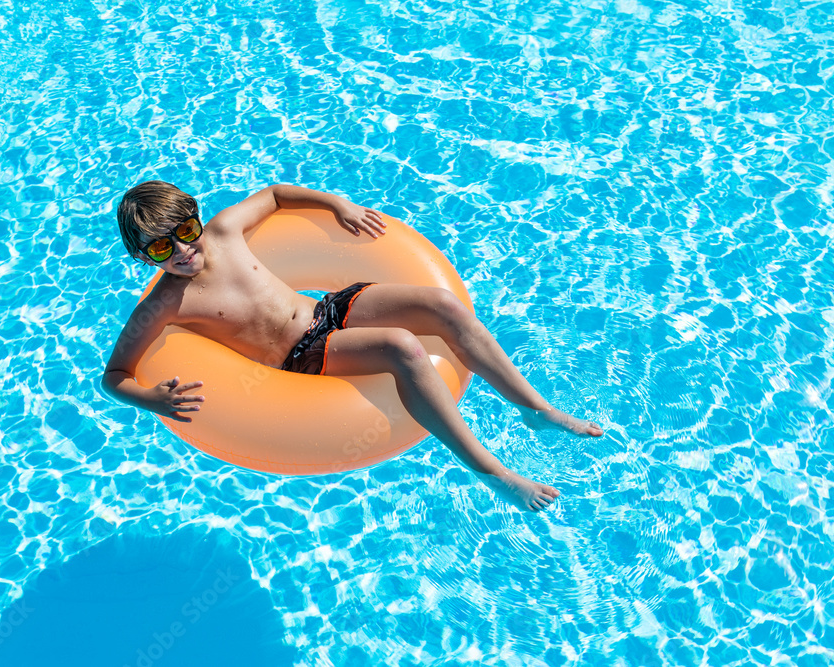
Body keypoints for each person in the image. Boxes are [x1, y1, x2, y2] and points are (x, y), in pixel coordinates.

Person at [102, 181, 603, 511]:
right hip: (297, 355)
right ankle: (491, 471)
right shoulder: (165, 303)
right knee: (402, 347)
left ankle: (535, 409)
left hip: (329, 308)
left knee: (443, 306)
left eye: (187, 230)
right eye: (164, 247)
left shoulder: (226, 231)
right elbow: (113, 375)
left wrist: (336, 205)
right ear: (142, 256)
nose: (186, 249)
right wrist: (151, 399)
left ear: (196, 217)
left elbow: (275, 195)